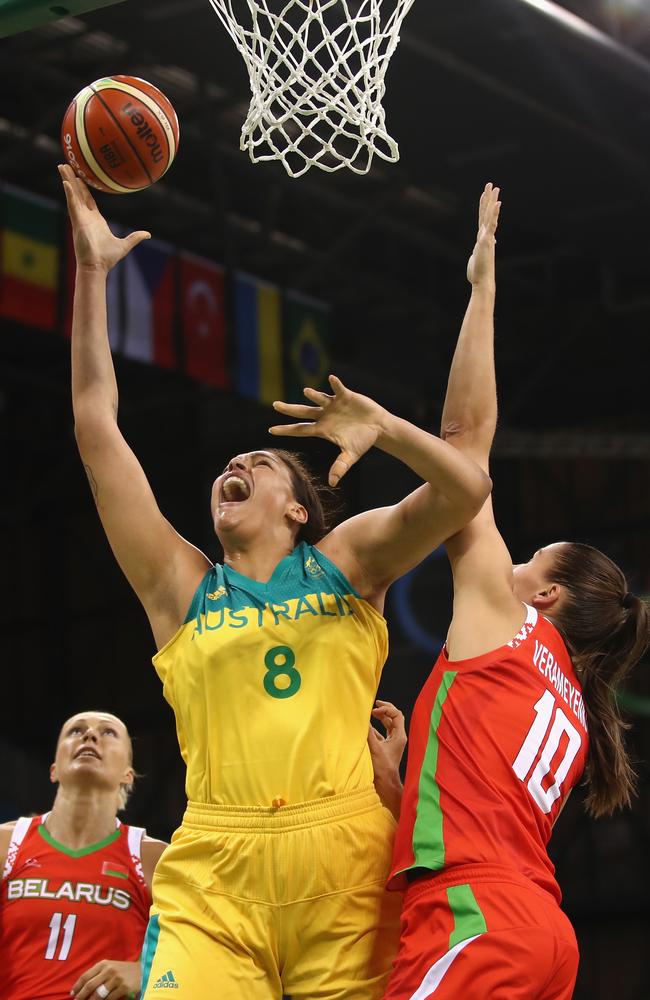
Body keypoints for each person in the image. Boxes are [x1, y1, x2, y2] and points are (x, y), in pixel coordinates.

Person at [58, 161, 491, 1000]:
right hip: (217, 868)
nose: (237, 465)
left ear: (299, 510)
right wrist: (91, 273)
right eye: (230, 462)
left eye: (258, 464)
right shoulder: (178, 585)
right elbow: (94, 424)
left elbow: (467, 488)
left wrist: (388, 428)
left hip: (345, 861)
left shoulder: (349, 561)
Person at [382, 184, 650, 1000]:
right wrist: (402, 782)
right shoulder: (573, 707)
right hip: (537, 931)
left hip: (477, 918)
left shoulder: (508, 622)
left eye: (531, 558)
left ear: (550, 598)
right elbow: (478, 810)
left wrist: (483, 286)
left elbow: (466, 449)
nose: (513, 564)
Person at [0, 711, 167, 1000]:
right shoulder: (6, 844)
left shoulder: (153, 857)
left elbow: (200, 951)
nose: (89, 735)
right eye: (76, 731)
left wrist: (146, 970)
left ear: (128, 774)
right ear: (54, 769)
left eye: (108, 732)